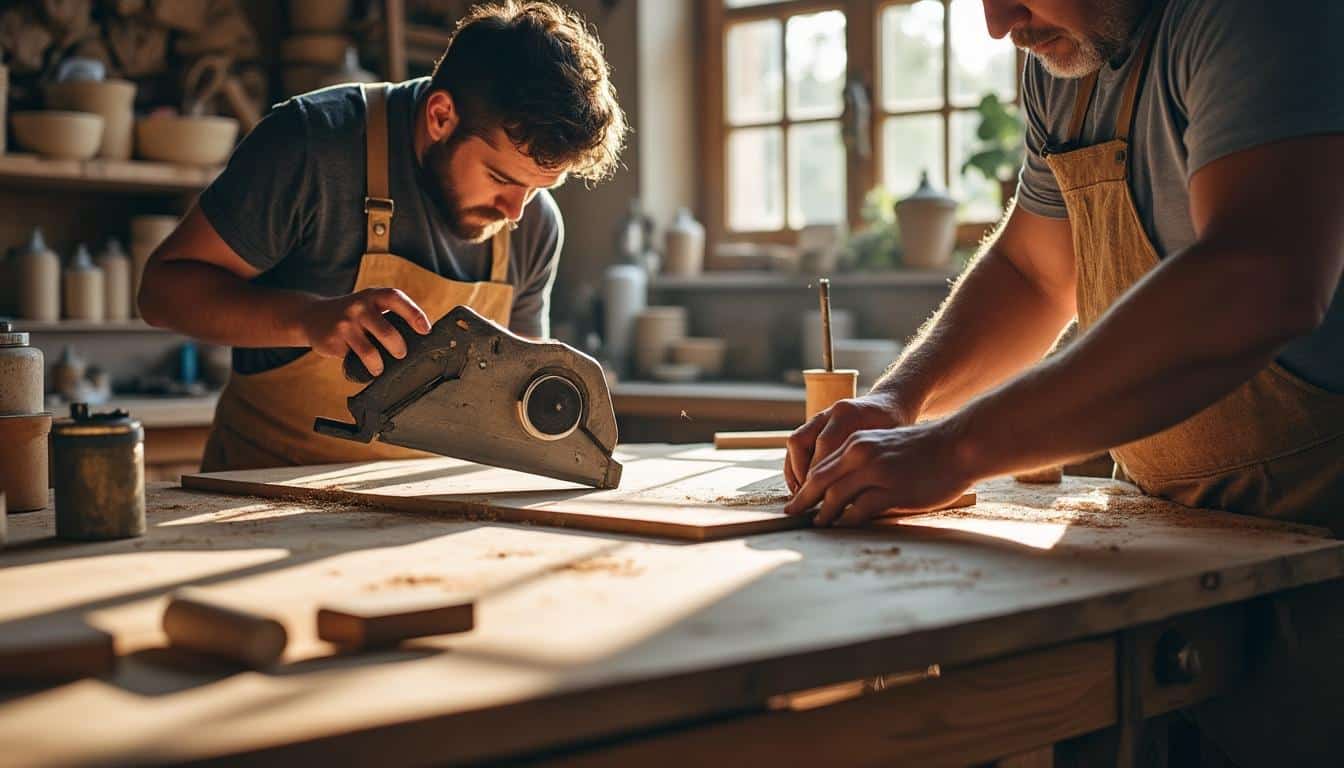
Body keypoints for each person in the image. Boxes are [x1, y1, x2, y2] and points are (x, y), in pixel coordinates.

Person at [786, 2, 1343, 762]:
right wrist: (899, 401)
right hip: (1174, 543)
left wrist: (953, 449)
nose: (996, 22)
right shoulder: (1067, 56)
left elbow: (1261, 276)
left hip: (1324, 543)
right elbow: (1035, 271)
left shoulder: (1253, 18)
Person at [139, 1, 627, 471]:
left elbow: (512, 405)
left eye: (540, 188)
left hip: (421, 508)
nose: (516, 210)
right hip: (258, 490)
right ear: (440, 116)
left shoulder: (534, 220)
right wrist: (308, 320)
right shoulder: (312, 145)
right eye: (501, 180)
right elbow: (161, 292)